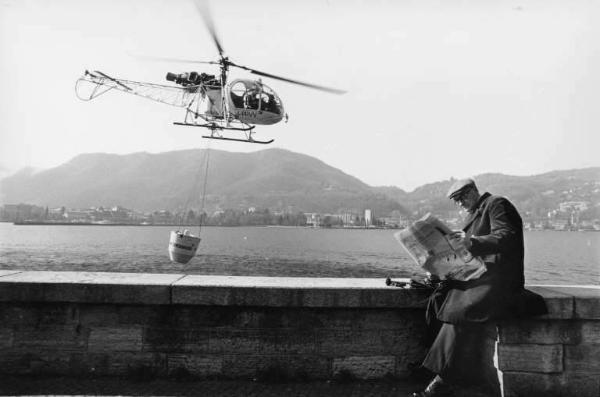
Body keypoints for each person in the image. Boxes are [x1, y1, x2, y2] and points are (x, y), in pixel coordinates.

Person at [411, 178, 547, 397]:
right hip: (481, 276)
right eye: (456, 200)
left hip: (501, 280)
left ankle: (442, 381)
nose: (460, 203)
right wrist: (439, 264)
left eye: (462, 197)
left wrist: (471, 242)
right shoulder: (474, 213)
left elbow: (507, 235)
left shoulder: (496, 204)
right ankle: (436, 367)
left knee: (462, 308)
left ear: (474, 191)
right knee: (439, 297)